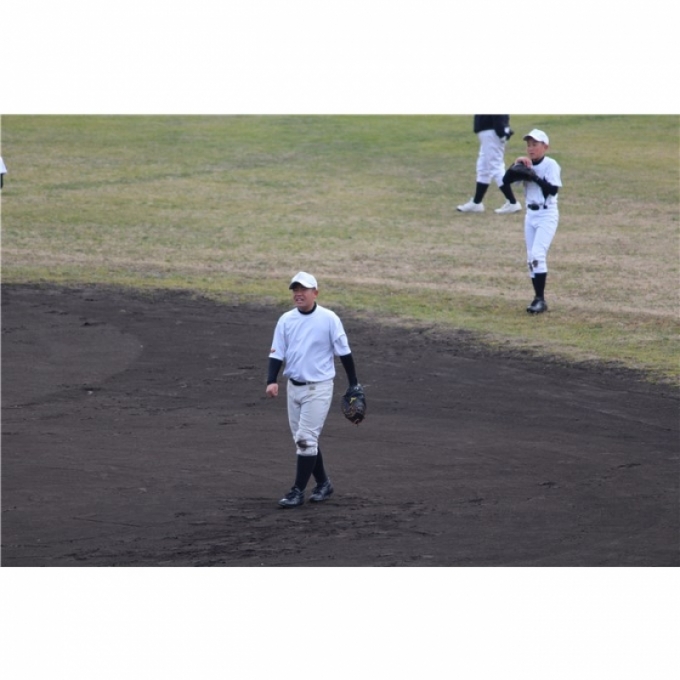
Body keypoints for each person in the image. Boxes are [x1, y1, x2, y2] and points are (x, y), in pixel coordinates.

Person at [265, 271, 361, 508]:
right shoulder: (286, 320)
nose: (298, 294)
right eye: (295, 290)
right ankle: (324, 484)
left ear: (315, 293)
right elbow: (277, 352)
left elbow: (344, 353)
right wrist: (271, 380)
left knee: (306, 439)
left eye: (303, 290)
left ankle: (297, 491)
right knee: (303, 439)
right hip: (294, 388)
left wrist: (354, 383)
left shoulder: (329, 319)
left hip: (319, 388)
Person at [503, 129, 562, 314]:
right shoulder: (525, 164)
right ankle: (537, 298)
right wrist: (515, 164)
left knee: (538, 254)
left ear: (545, 147)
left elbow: (553, 190)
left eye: (535, 144)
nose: (531, 148)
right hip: (530, 215)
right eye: (528, 145)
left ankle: (540, 300)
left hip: (547, 214)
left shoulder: (551, 164)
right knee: (531, 258)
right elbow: (505, 181)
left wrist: (534, 177)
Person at [457, 115, 521, 215]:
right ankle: (476, 202)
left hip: (493, 130)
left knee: (496, 167)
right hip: (489, 130)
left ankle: (512, 202)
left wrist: (500, 131)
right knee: (483, 167)